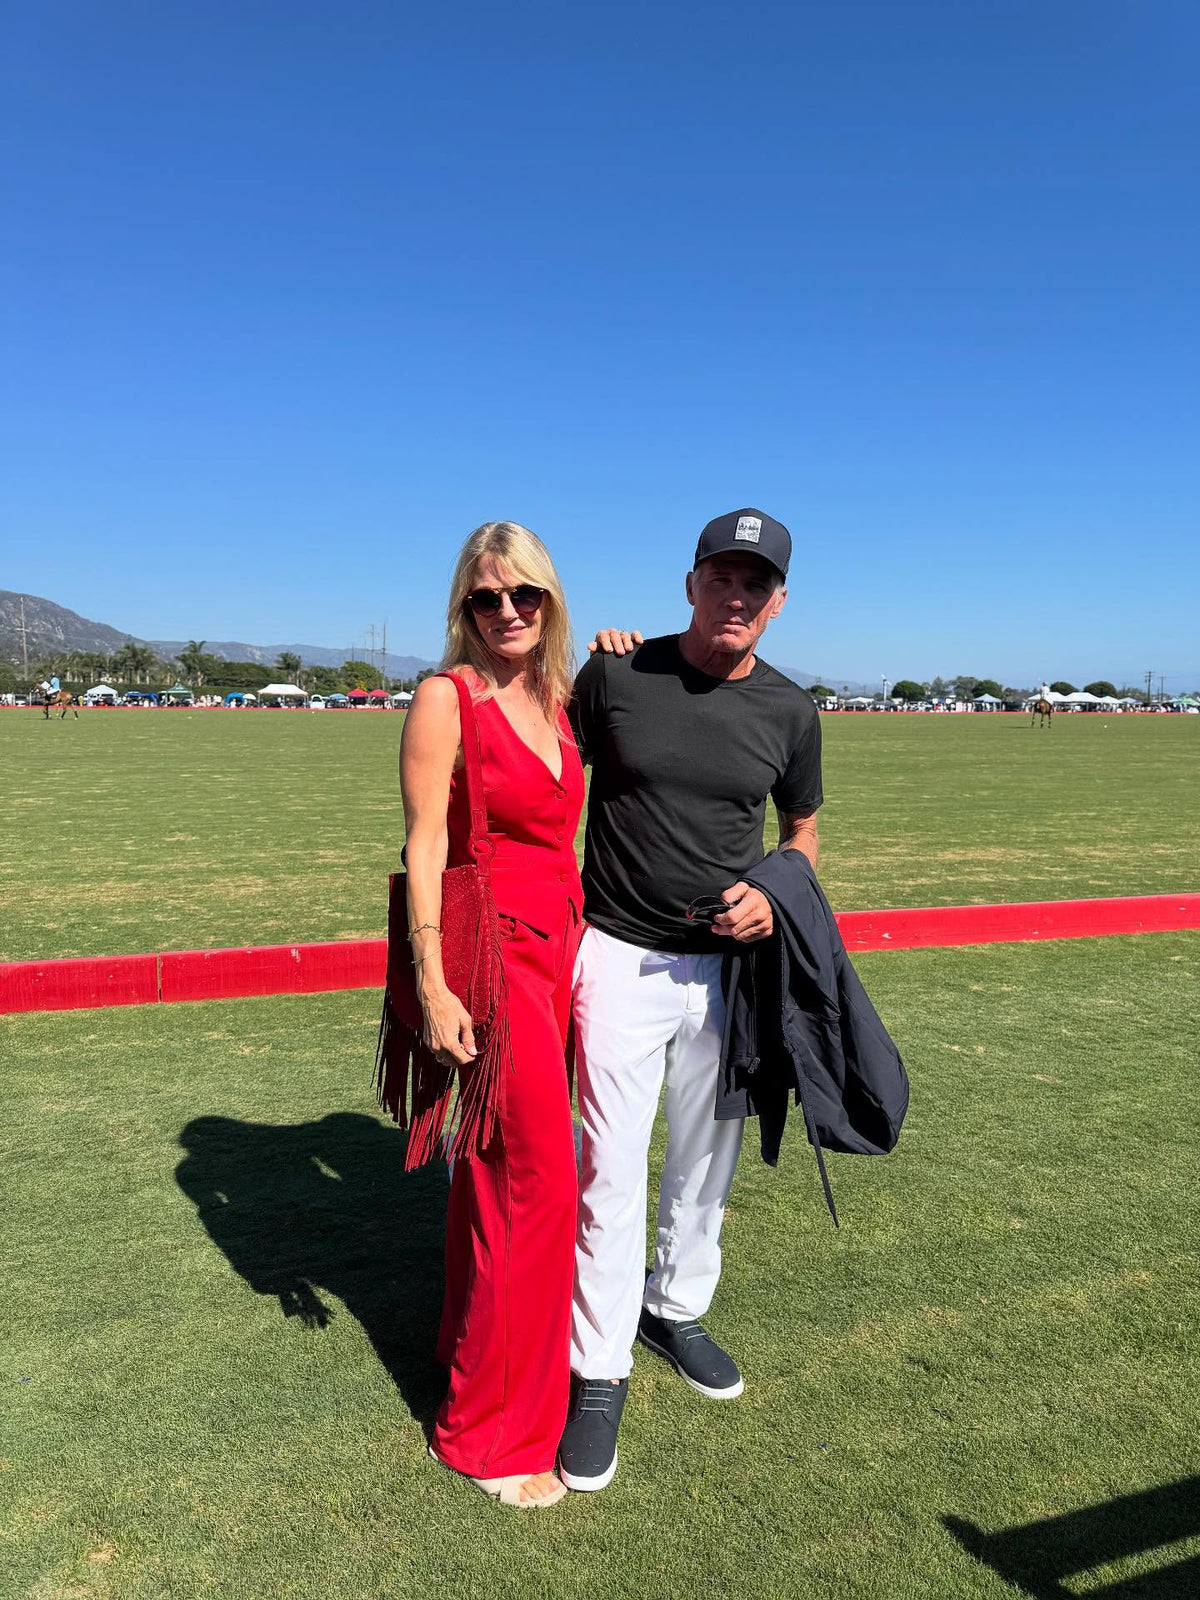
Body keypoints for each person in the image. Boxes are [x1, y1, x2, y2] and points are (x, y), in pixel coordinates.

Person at [558, 508, 823, 1492]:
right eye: (723, 575)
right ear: (692, 583)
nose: (738, 594)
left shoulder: (792, 711)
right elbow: (547, 780)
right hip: (617, 957)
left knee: (706, 1163)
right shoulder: (619, 675)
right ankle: (598, 1371)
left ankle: (674, 1306)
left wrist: (775, 892)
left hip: (729, 973)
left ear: (779, 601)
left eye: (758, 582)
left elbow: (800, 833)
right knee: (610, 1170)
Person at [398, 521, 585, 1509]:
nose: (507, 612)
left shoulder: (556, 697)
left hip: (562, 948)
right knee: (534, 1184)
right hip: (494, 955)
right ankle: (489, 1431)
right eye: (487, 598)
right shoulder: (447, 697)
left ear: (550, 602)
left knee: (497, 1177)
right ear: (462, 608)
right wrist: (432, 984)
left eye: (526, 597)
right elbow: (424, 843)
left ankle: (473, 1356)